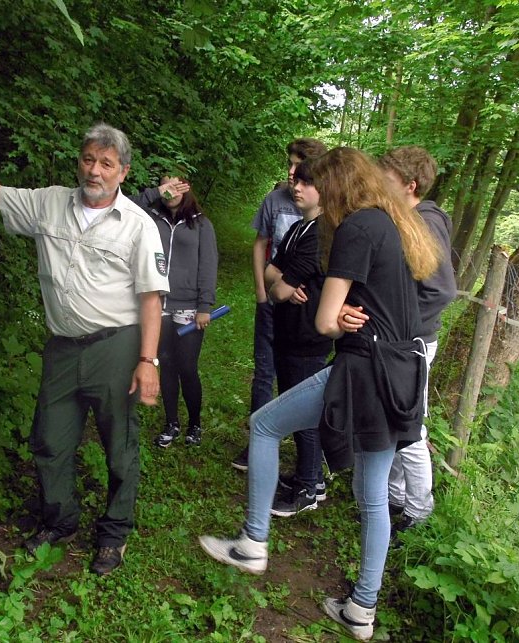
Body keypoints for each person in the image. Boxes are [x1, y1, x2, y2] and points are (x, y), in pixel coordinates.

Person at [199, 148, 440, 641]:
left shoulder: (355, 227)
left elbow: (326, 321)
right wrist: (350, 313)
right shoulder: (394, 225)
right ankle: (361, 609)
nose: (310, 193)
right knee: (372, 494)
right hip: (403, 373)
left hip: (365, 372)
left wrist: (336, 318)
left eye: (318, 186)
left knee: (264, 425)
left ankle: (252, 542)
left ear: (337, 187)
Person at [0, 123, 170, 576]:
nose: (94, 171)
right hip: (62, 347)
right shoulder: (49, 203)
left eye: (106, 164)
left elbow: (151, 298)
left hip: (116, 347)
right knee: (50, 439)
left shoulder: (139, 226)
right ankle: (60, 521)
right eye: (88, 160)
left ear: (123, 172)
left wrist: (147, 361)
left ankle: (115, 534)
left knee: (120, 445)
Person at [339, 146, 456, 535]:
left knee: (410, 427)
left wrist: (399, 328)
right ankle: (391, 497)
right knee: (390, 422)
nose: (378, 186)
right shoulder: (401, 219)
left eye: (386, 180)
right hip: (396, 343)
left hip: (412, 343)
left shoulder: (426, 222)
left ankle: (419, 510)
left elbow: (441, 290)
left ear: (410, 185)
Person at [231, 137, 328, 471]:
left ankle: (307, 469)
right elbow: (265, 250)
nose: (291, 174)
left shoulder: (324, 221)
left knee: (299, 383)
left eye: (299, 168)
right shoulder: (275, 201)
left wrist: (296, 288)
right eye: (290, 166)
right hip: (273, 298)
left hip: (303, 316)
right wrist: (264, 289)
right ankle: (258, 443)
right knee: (264, 373)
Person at [264, 160, 332, 516]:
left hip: (307, 339)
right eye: (297, 181)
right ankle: (310, 477)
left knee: (303, 413)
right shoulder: (297, 229)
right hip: (290, 333)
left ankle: (309, 487)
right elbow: (271, 270)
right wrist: (281, 283)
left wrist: (281, 286)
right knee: (296, 407)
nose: (297, 186)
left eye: (307, 182)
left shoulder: (321, 234)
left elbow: (277, 287)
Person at [130, 177, 218, 447]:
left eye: (176, 185)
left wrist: (205, 306)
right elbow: (124, 205)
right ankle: (172, 423)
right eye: (165, 186)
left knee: (187, 367)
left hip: (190, 307)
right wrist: (155, 193)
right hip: (158, 304)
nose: (171, 191)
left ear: (187, 188)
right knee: (166, 363)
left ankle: (195, 424)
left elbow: (208, 265)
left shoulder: (201, 223)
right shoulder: (149, 218)